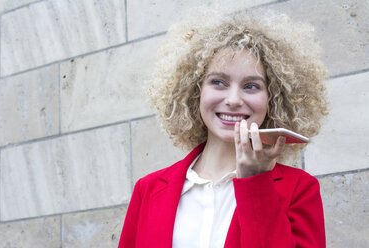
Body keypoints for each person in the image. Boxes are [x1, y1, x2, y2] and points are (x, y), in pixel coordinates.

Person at [118, 6, 328, 248]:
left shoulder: (299, 189)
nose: (234, 99)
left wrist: (256, 183)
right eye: (218, 82)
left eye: (251, 86)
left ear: (273, 99)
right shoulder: (148, 190)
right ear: (195, 91)